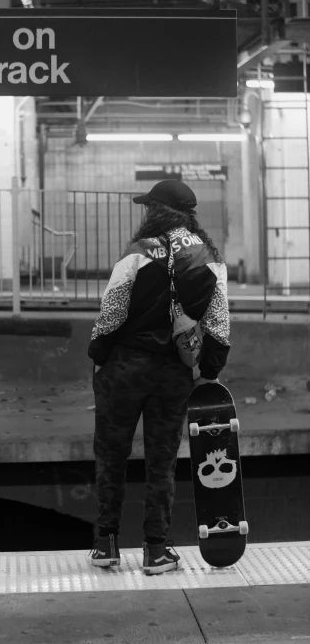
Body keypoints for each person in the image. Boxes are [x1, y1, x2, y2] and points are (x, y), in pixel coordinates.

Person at [88, 179, 230, 575]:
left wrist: (98, 355)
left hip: (125, 370)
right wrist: (210, 371)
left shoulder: (137, 252)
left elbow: (111, 313)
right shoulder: (208, 257)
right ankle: (157, 551)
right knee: (161, 463)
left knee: (111, 456)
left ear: (157, 211)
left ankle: (106, 544)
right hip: (173, 374)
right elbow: (218, 326)